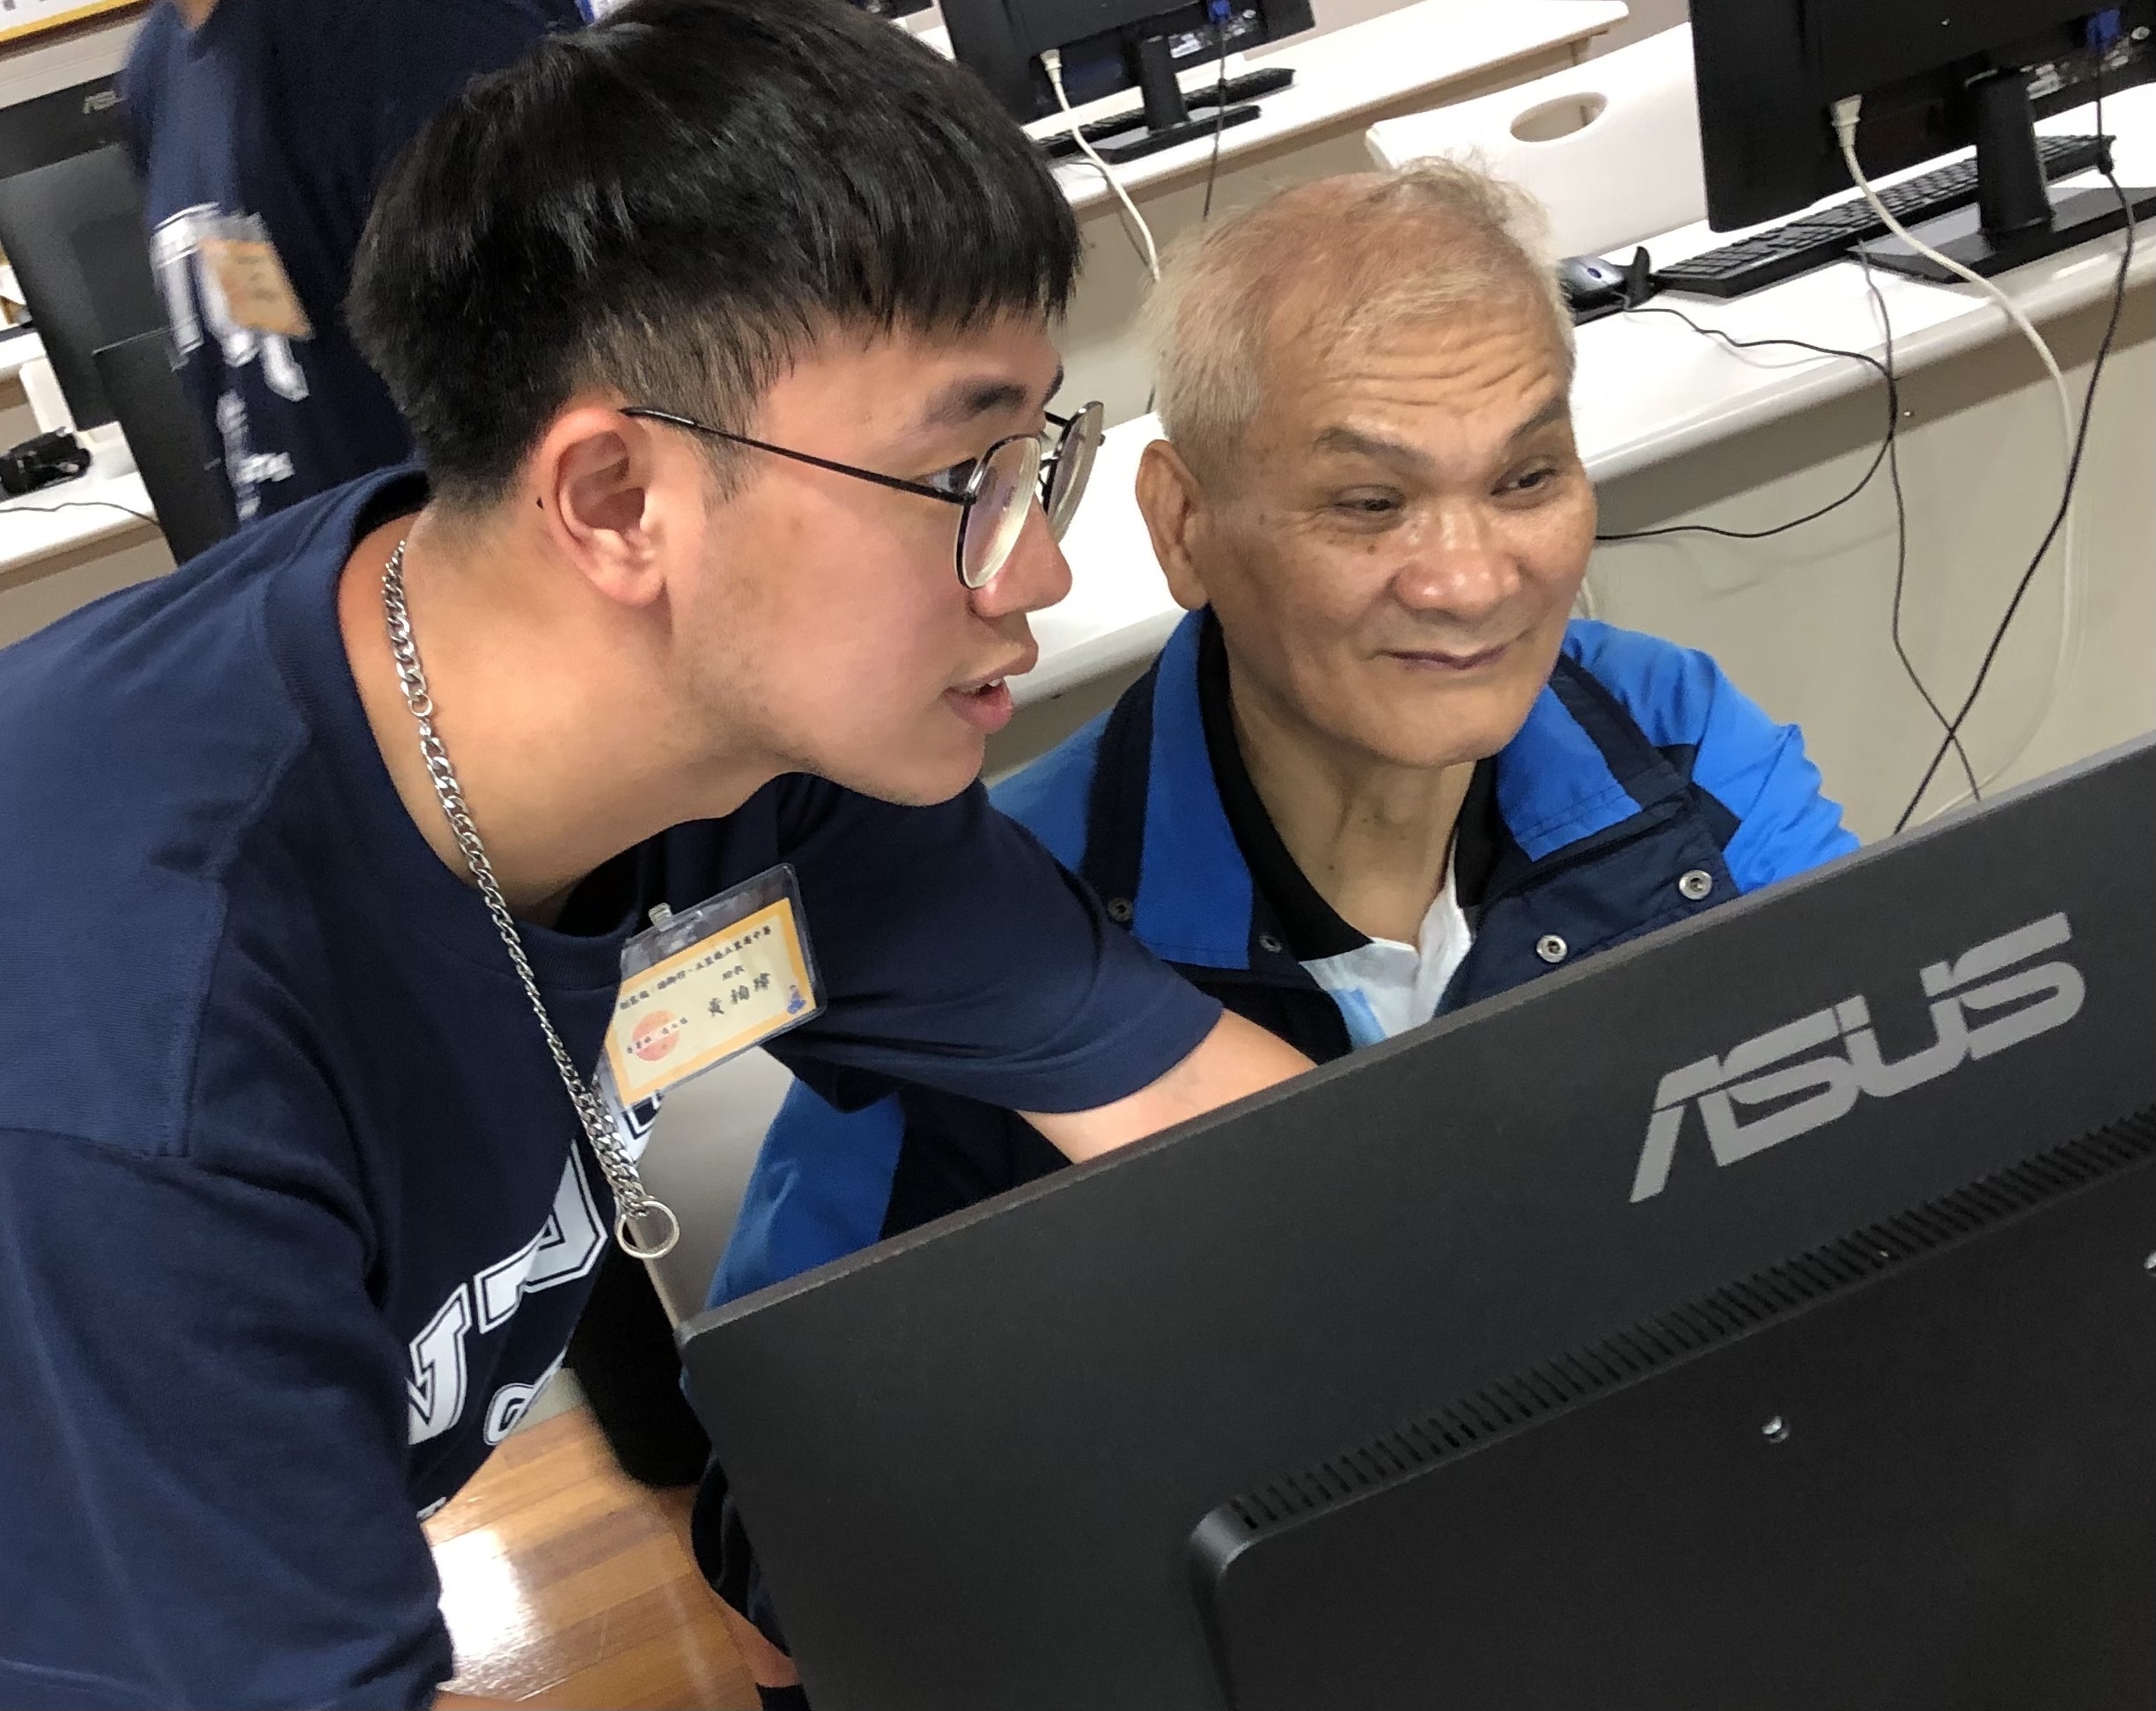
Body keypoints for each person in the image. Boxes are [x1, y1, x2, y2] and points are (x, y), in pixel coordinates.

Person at [0, 4, 1312, 1707]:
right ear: (614, 499)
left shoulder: (758, 742)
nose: (1037, 573)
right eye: (954, 474)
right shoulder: (136, 1062)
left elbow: (1213, 1125)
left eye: (1031, 457)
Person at [695, 160, 1861, 1693]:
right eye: (1366, 502)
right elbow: (782, 1532)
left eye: (1525, 478)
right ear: (1180, 524)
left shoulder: (1679, 750)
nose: (1469, 575)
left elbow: (1892, 1177)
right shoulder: (983, 922)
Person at [124, 0, 587, 525]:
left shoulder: (424, 26)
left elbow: (549, 408)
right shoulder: (158, 67)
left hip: (452, 586)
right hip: (318, 565)